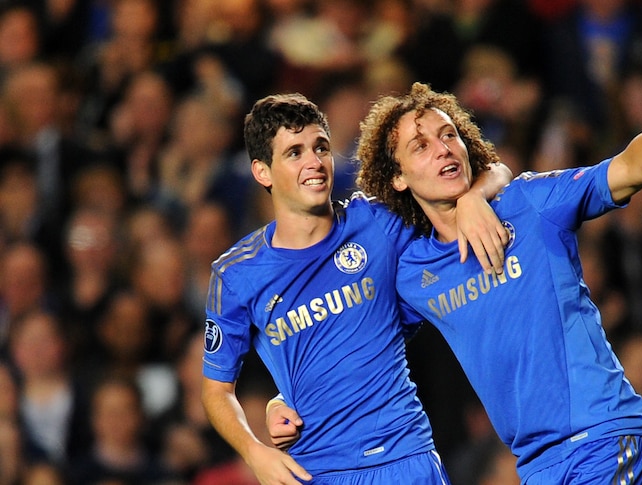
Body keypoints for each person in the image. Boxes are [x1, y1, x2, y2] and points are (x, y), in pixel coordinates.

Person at [269, 58, 642, 483]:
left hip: (603, 439)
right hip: (538, 466)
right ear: (397, 177)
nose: (443, 149)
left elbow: (630, 169)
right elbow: (354, 349)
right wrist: (286, 400)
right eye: (421, 145)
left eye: (449, 135)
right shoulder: (412, 271)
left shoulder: (529, 204)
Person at [201, 92, 512, 485]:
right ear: (263, 172)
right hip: (316, 470)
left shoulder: (378, 221)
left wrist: (472, 198)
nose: (314, 162)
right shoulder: (236, 274)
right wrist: (255, 450)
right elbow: (216, 391)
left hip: (406, 459)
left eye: (321, 147)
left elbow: (494, 171)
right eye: (294, 153)